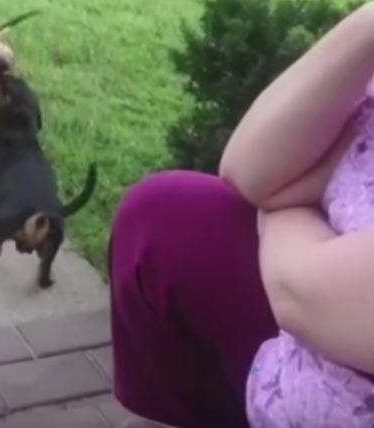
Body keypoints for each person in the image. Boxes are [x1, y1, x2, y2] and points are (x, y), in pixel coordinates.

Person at [108, 3, 374, 427]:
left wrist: (284, 206)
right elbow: (249, 170)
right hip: (301, 367)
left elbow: (299, 292)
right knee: (161, 217)